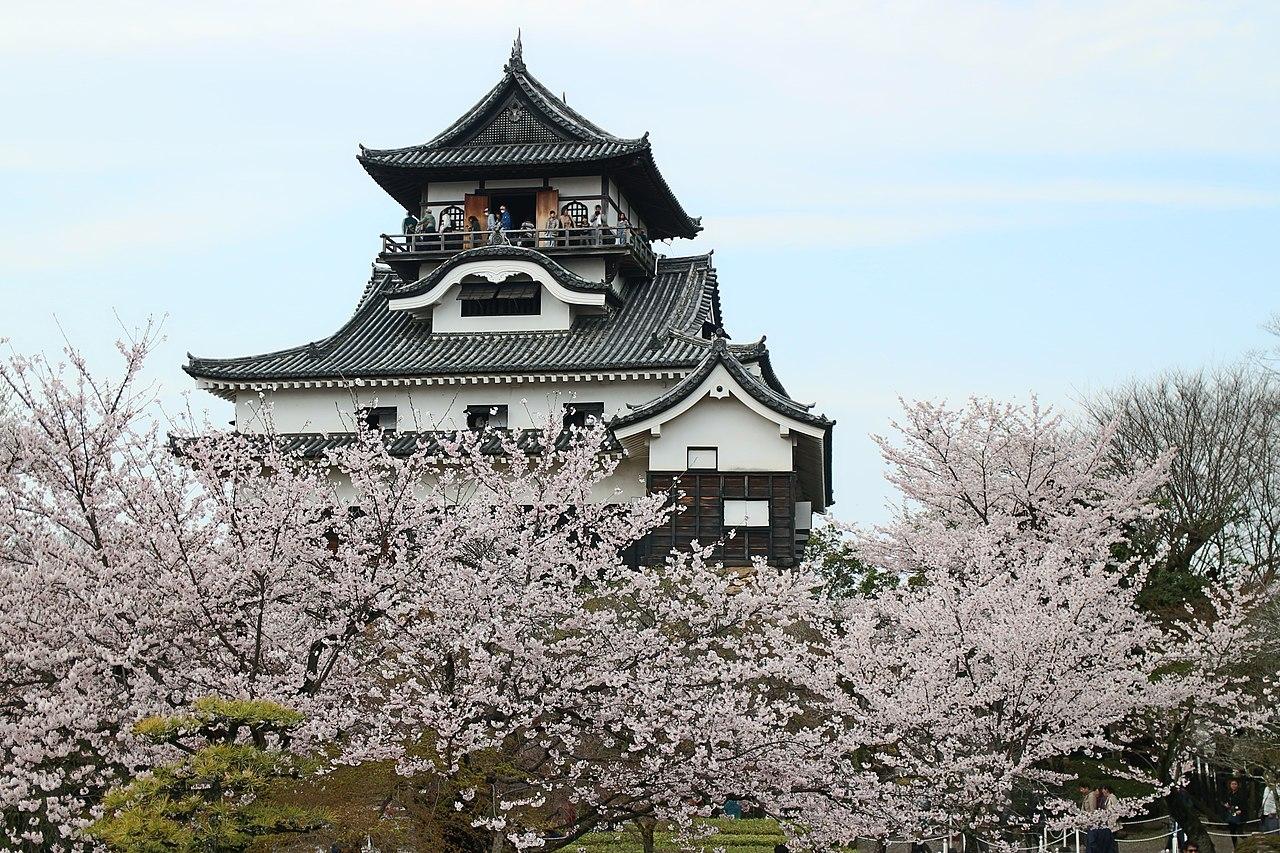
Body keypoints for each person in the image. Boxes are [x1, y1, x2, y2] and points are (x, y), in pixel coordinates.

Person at [1223, 778, 1248, 848]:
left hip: (1240, 815)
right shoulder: (1229, 793)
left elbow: (1245, 804)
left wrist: (1241, 810)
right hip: (1231, 814)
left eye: (1235, 784)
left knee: (1240, 832)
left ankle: (1249, 843)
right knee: (1232, 832)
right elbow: (1227, 802)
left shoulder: (1241, 794)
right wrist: (1226, 805)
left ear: (1238, 785)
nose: (1233, 786)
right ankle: (1235, 847)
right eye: (1232, 784)